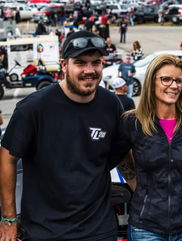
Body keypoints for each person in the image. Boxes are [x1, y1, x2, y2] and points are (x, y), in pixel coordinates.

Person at [0, 30, 123, 241]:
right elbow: (7, 157)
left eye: (96, 62)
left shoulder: (111, 105)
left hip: (99, 231)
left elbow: (123, 158)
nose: (89, 70)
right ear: (64, 65)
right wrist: (9, 219)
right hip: (45, 231)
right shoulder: (34, 108)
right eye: (80, 63)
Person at [113, 54, 182, 241]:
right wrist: (140, 187)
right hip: (146, 227)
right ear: (152, 81)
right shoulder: (132, 121)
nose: (174, 85)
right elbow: (120, 157)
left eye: (179, 80)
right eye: (166, 79)